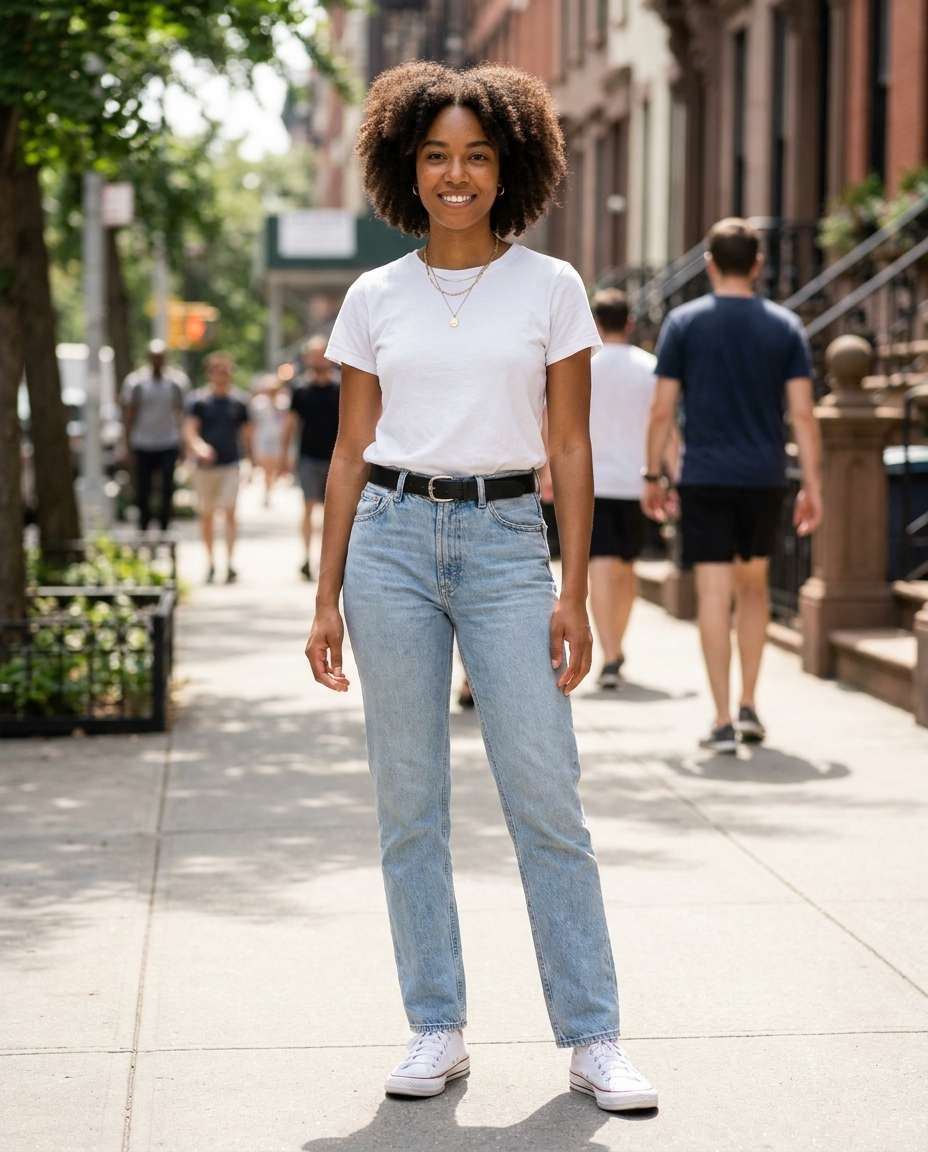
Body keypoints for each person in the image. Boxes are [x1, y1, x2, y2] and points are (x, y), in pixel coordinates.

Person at [305, 61, 657, 1113]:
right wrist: (324, 596)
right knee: (408, 806)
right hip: (389, 545)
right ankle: (435, 1026)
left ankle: (593, 1036)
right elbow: (346, 455)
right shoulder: (374, 296)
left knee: (546, 799)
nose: (456, 175)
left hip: (509, 541)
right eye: (436, 156)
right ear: (404, 169)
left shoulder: (551, 287)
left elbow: (574, 450)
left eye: (476, 156)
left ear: (509, 170)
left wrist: (575, 591)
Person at [643, 217, 822, 752]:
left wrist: (653, 474)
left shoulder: (683, 324)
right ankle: (748, 704)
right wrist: (813, 484)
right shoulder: (785, 327)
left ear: (711, 264)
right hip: (763, 477)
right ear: (759, 265)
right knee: (754, 589)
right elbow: (804, 415)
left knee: (714, 595)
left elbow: (661, 410)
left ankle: (720, 718)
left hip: (704, 477)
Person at [587, 288, 671, 688]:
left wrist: (548, 474)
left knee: (599, 567)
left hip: (593, 482)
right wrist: (673, 473)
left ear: (596, 323)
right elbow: (664, 420)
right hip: (637, 482)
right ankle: (616, 646)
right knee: (626, 567)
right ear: (631, 323)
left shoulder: (585, 367)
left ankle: (609, 652)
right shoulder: (650, 367)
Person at [184, 352, 252, 584]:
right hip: (204, 468)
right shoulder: (199, 401)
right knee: (207, 514)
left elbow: (247, 435)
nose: (222, 375)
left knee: (230, 511)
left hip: (230, 464)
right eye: (217, 370)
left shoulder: (239, 402)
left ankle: (230, 563)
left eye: (226, 370)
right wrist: (199, 447)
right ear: (210, 373)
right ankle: (211, 562)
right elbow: (190, 431)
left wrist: (251, 462)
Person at [281, 337, 340, 580]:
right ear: (307, 359)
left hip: (336, 459)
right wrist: (285, 456)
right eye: (314, 354)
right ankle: (306, 557)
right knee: (307, 508)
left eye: (322, 354)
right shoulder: (300, 390)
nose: (318, 359)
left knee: (333, 512)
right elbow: (291, 424)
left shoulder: (341, 388)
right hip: (308, 457)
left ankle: (330, 561)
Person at [120, 339, 188, 532]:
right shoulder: (136, 382)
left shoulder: (176, 382)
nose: (158, 361)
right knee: (143, 487)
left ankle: (165, 524)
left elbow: (180, 414)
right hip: (143, 442)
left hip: (168, 441)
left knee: (167, 486)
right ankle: (143, 525)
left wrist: (183, 445)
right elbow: (129, 415)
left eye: (161, 357)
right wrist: (126, 444)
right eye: (155, 357)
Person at [249, 373, 289, 506]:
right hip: (263, 438)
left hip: (279, 439)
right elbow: (253, 423)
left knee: (275, 468)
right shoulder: (258, 403)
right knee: (267, 468)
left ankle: (270, 488)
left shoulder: (284, 401)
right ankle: (267, 492)